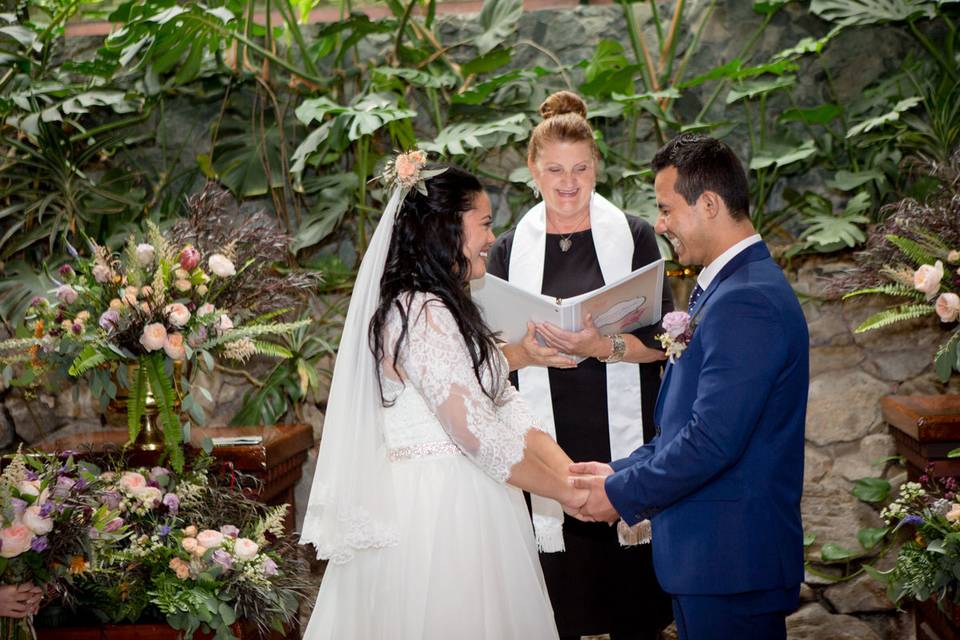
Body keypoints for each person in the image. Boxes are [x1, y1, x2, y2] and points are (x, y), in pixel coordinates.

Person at [300, 155, 588, 639]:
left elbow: (504, 405)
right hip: (436, 517)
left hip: (474, 500)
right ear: (446, 229)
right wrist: (562, 492)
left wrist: (571, 473)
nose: (491, 238)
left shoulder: (448, 307)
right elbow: (472, 431)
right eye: (483, 223)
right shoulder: (421, 313)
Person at [570, 133, 809, 640]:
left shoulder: (748, 300)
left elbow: (712, 441)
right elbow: (683, 427)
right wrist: (617, 468)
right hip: (713, 560)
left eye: (665, 208)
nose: (660, 224)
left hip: (730, 561)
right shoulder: (727, 289)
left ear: (709, 203)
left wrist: (618, 493)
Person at [485, 90, 673, 640]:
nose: (569, 183)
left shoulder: (635, 236)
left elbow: (665, 343)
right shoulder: (507, 249)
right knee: (558, 604)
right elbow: (485, 359)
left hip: (621, 432)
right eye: (555, 170)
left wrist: (602, 347)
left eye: (581, 168)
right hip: (543, 437)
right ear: (533, 171)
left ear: (597, 166)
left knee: (632, 609)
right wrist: (524, 351)